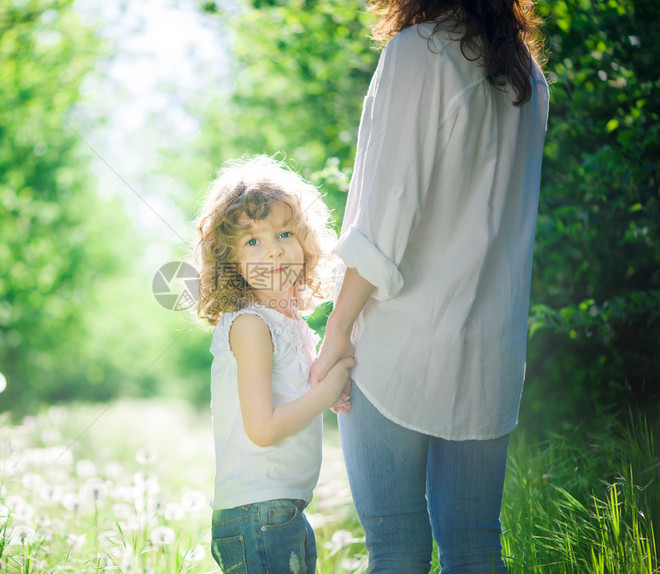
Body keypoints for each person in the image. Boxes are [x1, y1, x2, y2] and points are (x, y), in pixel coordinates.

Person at [311, 0, 549, 571]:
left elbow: (385, 217)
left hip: (402, 346)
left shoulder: (420, 51)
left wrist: (337, 330)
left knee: (395, 545)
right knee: (474, 545)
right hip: (488, 353)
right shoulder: (526, 74)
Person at [194, 155, 356, 574]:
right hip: (258, 512)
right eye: (252, 242)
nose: (274, 251)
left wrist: (325, 383)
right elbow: (262, 429)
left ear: (306, 241)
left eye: (284, 233)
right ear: (230, 262)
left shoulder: (288, 323)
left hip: (279, 508)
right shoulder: (250, 324)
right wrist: (327, 388)